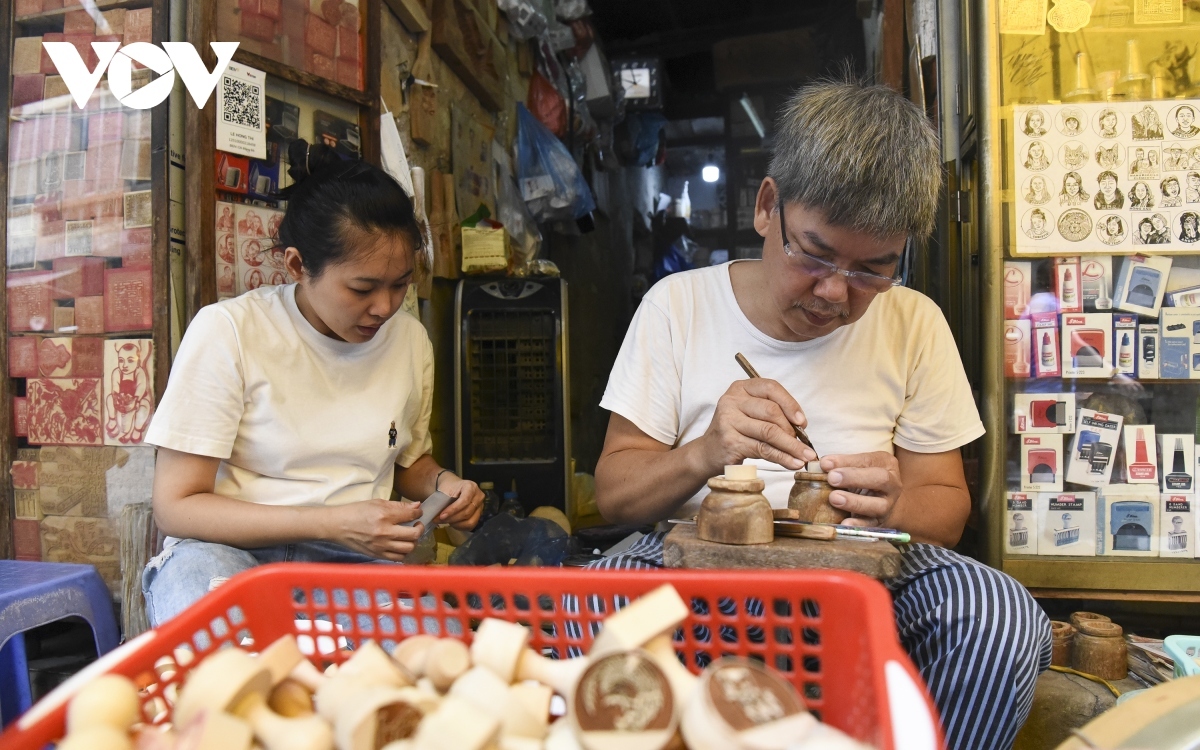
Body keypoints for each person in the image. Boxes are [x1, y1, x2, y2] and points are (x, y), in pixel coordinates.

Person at [590, 78, 1050, 750]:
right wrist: (705, 452)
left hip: (860, 569)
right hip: (701, 567)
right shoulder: (677, 305)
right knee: (595, 595)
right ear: (768, 205)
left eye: (873, 269)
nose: (836, 292)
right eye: (816, 253)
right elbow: (613, 496)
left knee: (996, 614)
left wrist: (891, 507)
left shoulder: (914, 323)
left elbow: (945, 505)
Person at [141, 140, 484, 626]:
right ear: (299, 267)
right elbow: (176, 506)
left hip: (358, 562)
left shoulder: (409, 340)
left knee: (435, 654)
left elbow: (407, 461)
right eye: (363, 288)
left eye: (400, 284)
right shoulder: (231, 331)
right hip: (231, 553)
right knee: (225, 648)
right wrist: (332, 522)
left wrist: (446, 485)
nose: (385, 307)